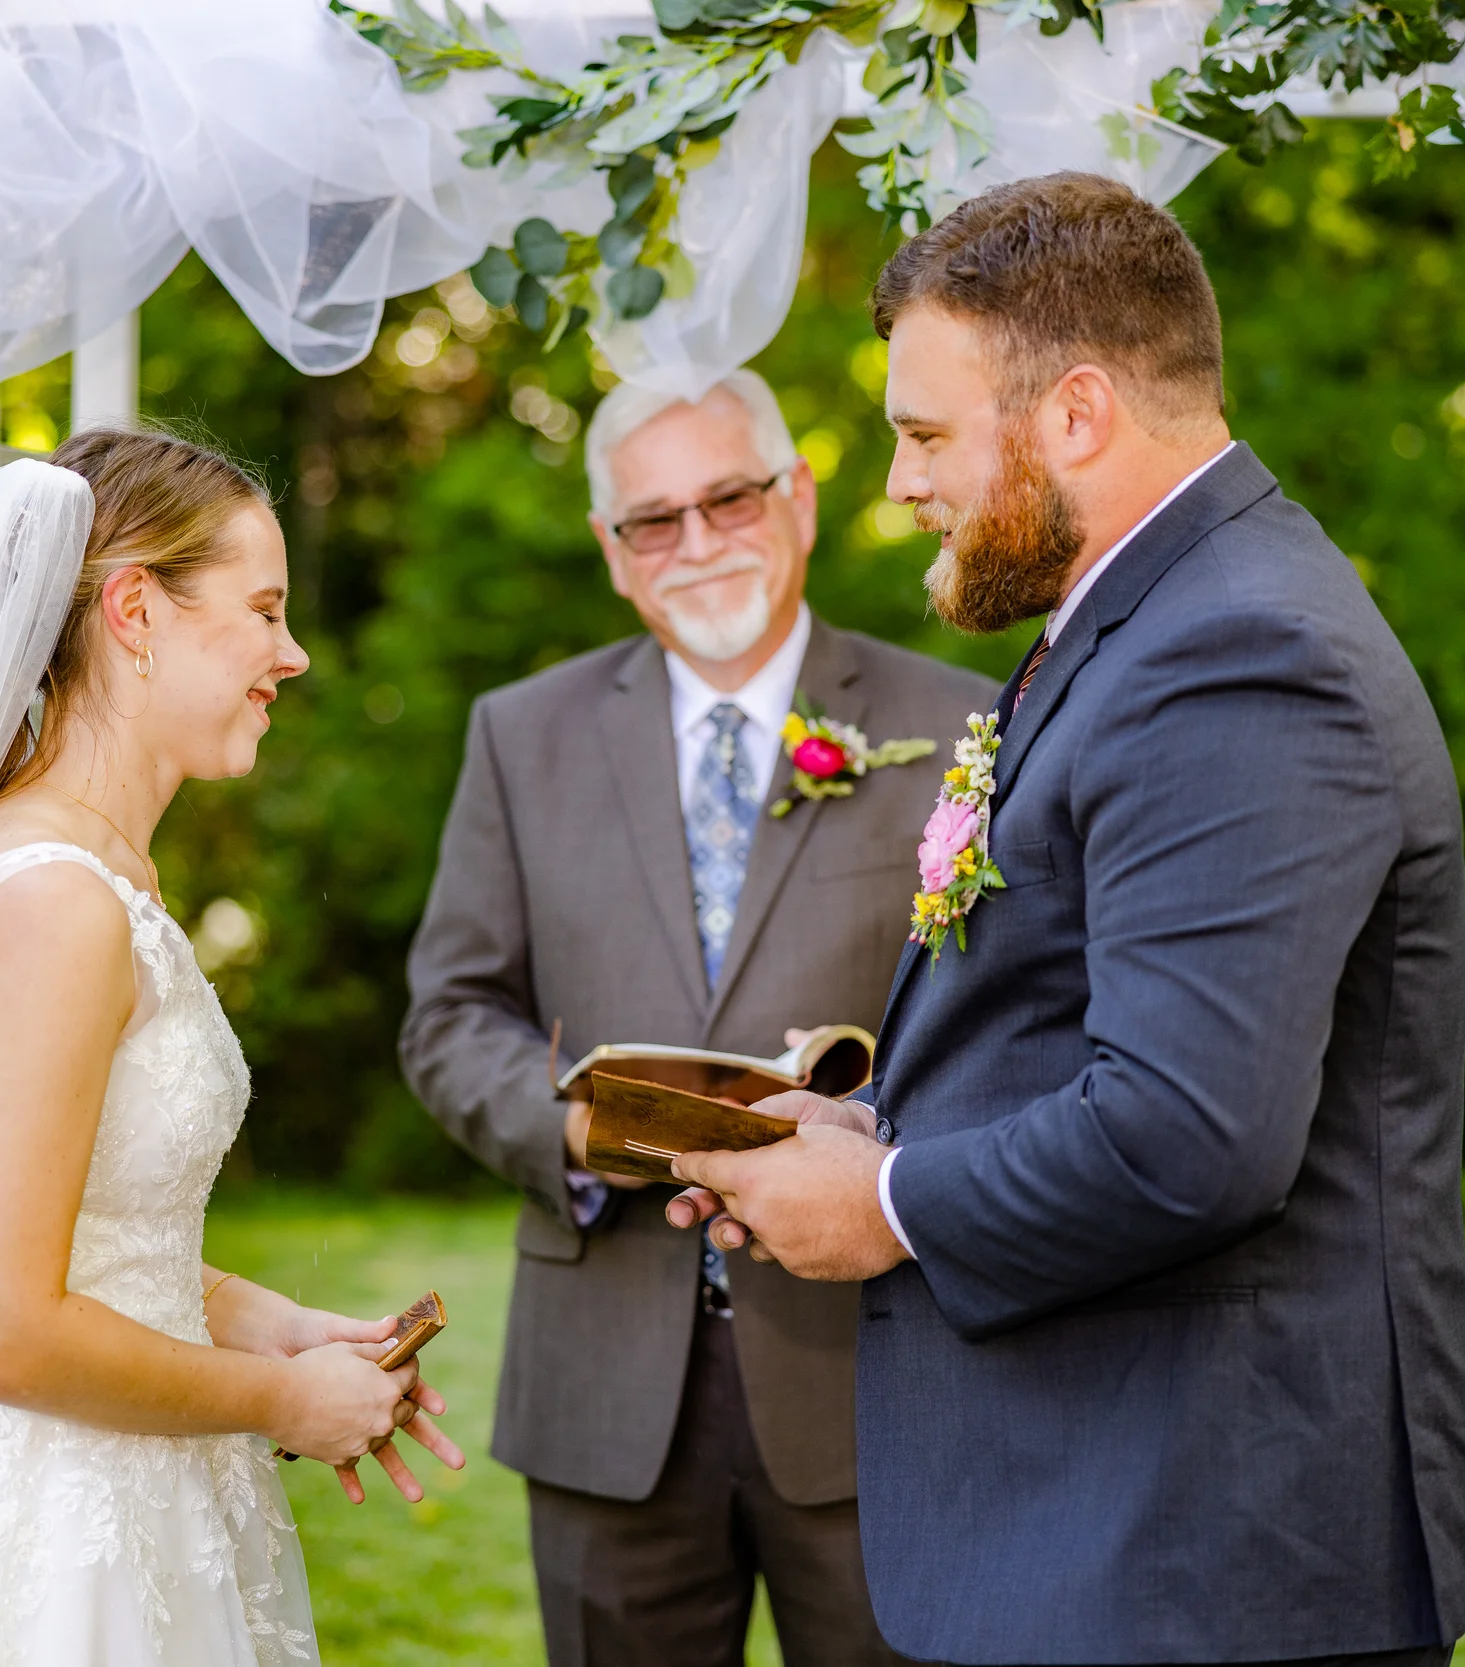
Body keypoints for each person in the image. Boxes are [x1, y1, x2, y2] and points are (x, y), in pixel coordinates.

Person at [666, 174, 1465, 1665]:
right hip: (1120, 1535)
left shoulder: (1238, 653)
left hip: (1199, 1558)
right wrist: (866, 1132)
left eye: (924, 434)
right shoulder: (1144, 618)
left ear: (1078, 413)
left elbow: (1188, 1131)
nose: (901, 481)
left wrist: (887, 1206)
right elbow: (1075, 1030)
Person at [0, 428, 462, 1667]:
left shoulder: (101, 875)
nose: (294, 653)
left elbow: (92, 1235)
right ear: (134, 610)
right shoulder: (51, 903)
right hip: (43, 1551)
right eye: (263, 610)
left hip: (136, 1496)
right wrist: (284, 1403)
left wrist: (268, 1324)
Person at [402, 368, 994, 1666]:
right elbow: (450, 1014)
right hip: (607, 1378)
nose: (697, 541)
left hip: (879, 1370)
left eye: (727, 498)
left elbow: (1010, 1021)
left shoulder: (956, 723)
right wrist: (574, 1125)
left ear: (796, 498)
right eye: (651, 520)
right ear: (615, 556)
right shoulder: (524, 733)